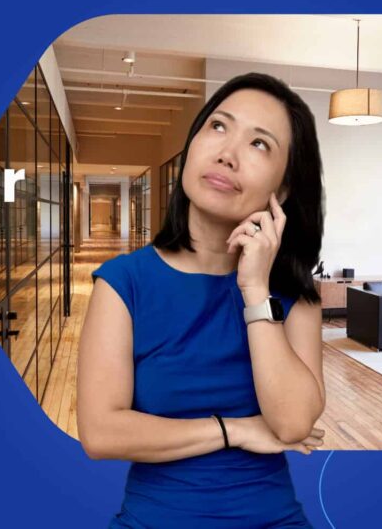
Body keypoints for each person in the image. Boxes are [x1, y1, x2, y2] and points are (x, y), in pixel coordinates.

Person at [77, 72, 326, 528]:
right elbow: (100, 433)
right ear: (193, 146)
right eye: (218, 126)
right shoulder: (123, 282)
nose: (227, 154)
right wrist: (235, 430)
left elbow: (292, 424)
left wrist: (254, 290)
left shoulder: (293, 297)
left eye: (259, 145)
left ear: (284, 190)